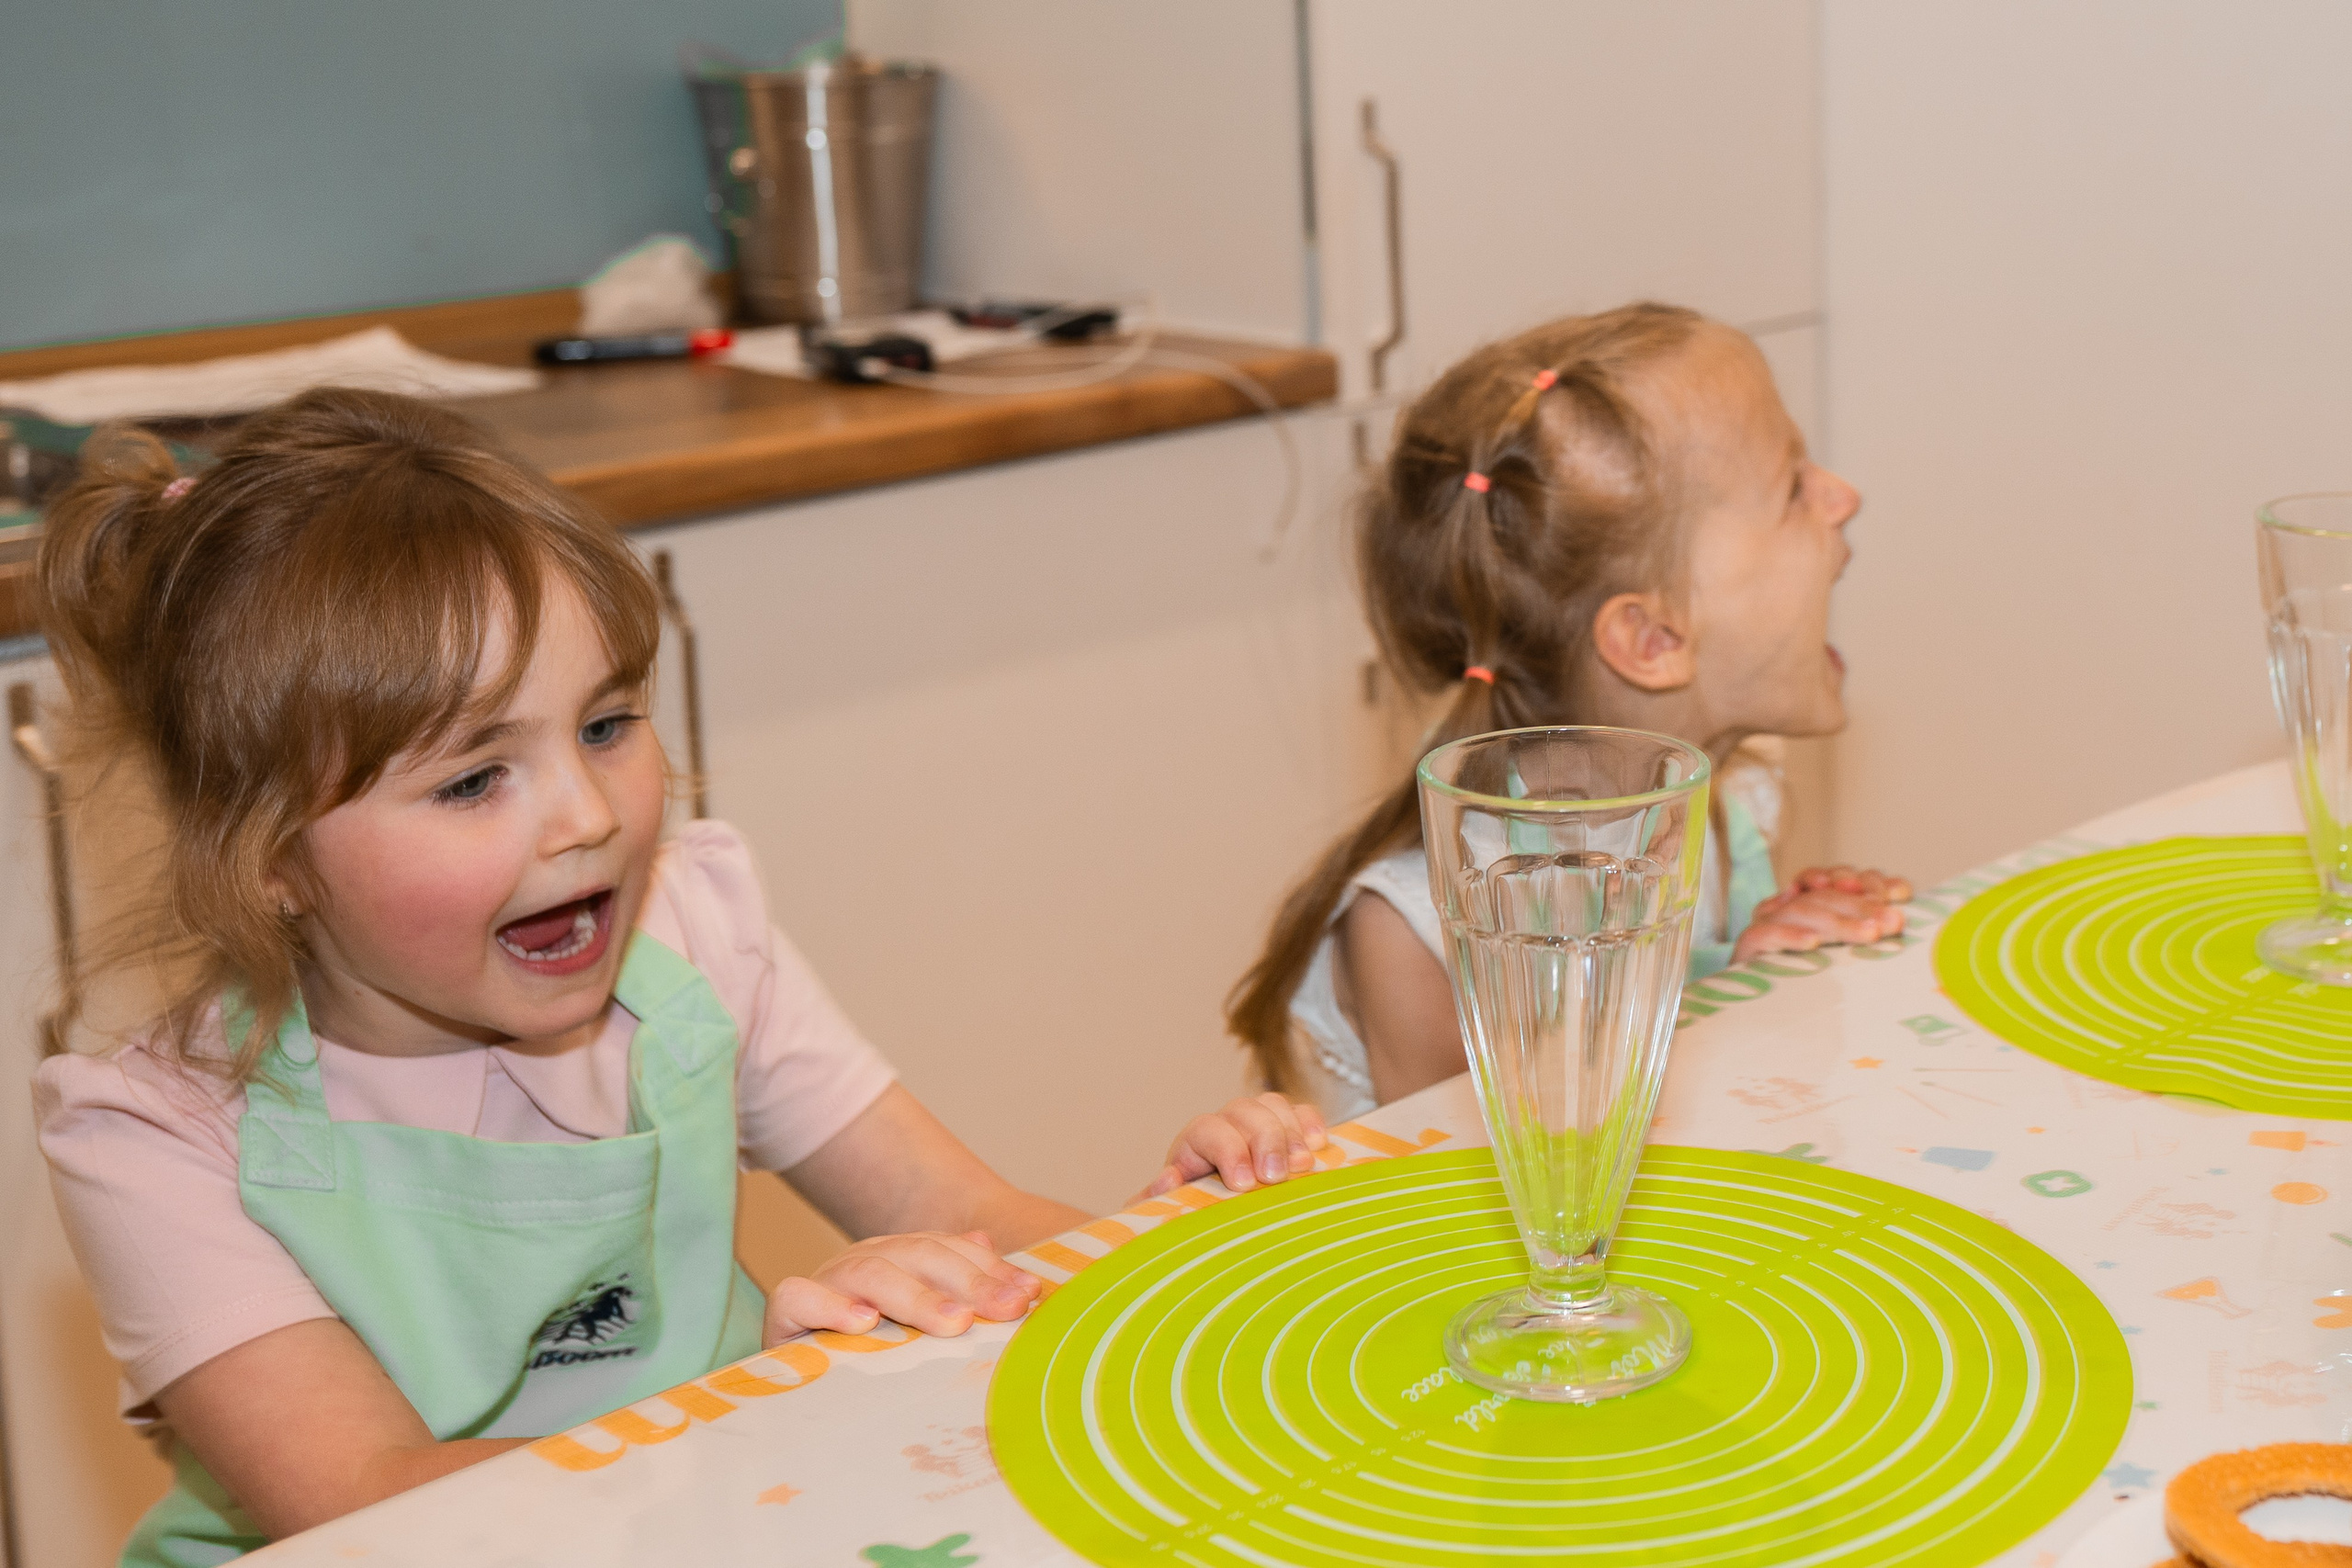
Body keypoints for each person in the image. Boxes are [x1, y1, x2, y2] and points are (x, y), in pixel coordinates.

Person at [33, 389, 1326, 1564]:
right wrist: (775, 1408)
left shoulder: (694, 933)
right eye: (476, 776)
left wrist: (1183, 1243)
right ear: (268, 858)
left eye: (606, 723)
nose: (587, 813)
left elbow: (966, 1204)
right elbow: (380, 1501)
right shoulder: (161, 1130)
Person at [1228, 303, 1913, 1120]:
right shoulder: (1417, 936)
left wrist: (1764, 970)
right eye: (1794, 487)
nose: (1844, 496)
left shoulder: (1732, 803)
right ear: (1654, 637)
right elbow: (1495, 1214)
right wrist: (1729, 1009)